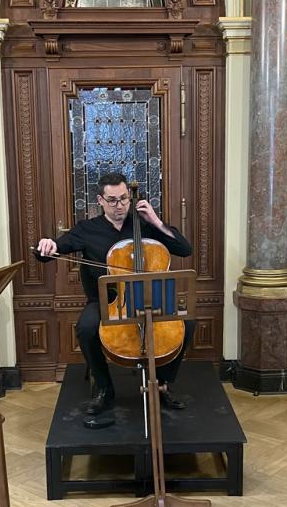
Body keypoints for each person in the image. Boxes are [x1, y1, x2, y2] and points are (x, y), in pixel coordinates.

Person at [35, 172, 195, 422]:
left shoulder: (143, 224)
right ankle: (104, 388)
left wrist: (156, 221)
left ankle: (163, 383)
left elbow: (184, 249)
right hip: (106, 301)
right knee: (86, 328)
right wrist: (48, 245)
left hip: (146, 297)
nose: (119, 205)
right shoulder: (87, 229)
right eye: (112, 200)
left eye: (123, 199)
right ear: (100, 200)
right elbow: (52, 250)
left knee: (187, 322)